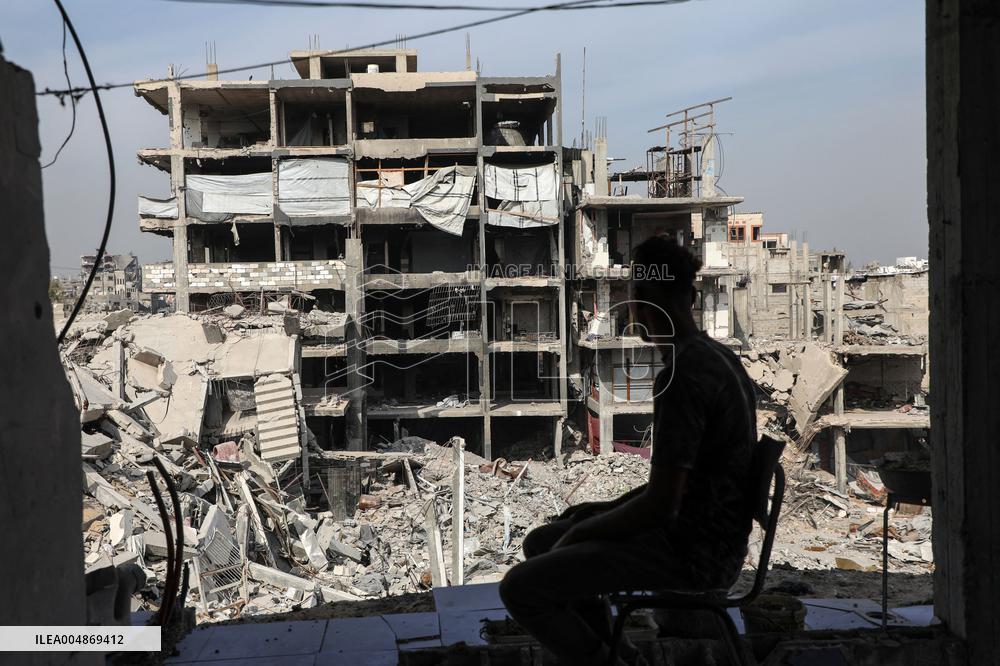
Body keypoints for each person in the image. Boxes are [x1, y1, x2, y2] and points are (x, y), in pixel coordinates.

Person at [499, 235, 758, 666]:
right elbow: (672, 488)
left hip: (692, 554)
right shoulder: (716, 356)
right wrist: (599, 511)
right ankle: (619, 654)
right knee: (546, 539)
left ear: (640, 301)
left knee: (520, 589)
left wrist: (588, 529)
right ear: (690, 295)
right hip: (709, 539)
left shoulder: (683, 375)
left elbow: (661, 505)